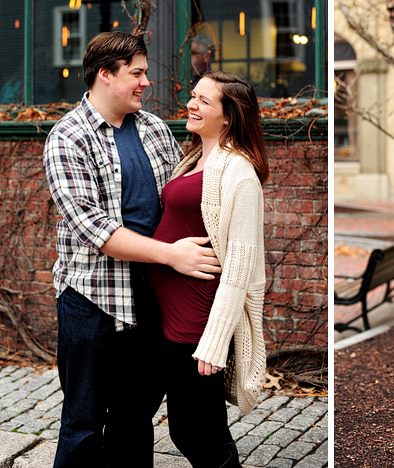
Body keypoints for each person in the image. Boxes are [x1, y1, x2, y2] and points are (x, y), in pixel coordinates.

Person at [43, 31, 222, 468]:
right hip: (92, 298)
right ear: (105, 75)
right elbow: (94, 229)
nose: (147, 82)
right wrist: (171, 255)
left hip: (152, 296)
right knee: (82, 423)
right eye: (137, 73)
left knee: (135, 420)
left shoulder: (155, 129)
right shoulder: (68, 137)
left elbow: (180, 198)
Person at [149, 70, 268, 468]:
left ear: (229, 116)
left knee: (193, 432)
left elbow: (240, 266)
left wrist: (215, 342)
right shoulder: (195, 159)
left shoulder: (239, 172)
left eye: (203, 100)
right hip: (172, 315)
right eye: (193, 96)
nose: (191, 104)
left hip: (197, 322)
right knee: (205, 428)